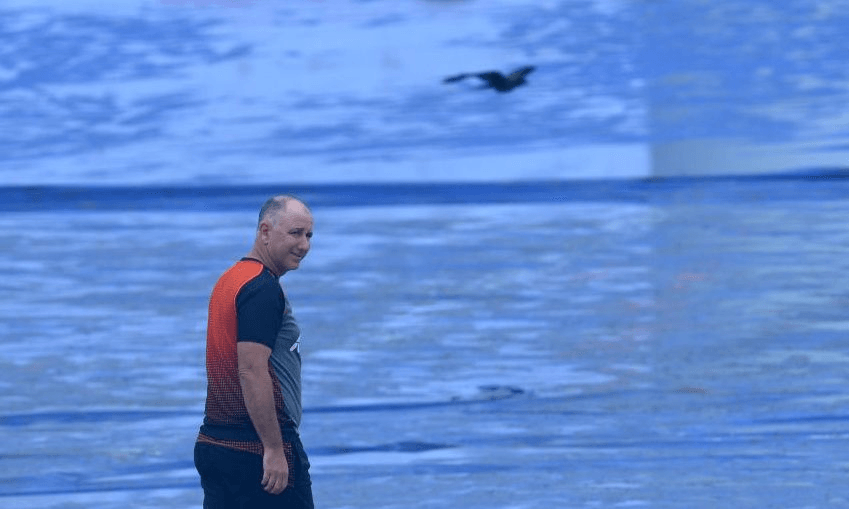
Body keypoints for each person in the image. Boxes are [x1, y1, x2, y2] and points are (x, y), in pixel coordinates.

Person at [194, 195, 315, 509]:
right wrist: (274, 449)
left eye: (309, 235)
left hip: (215, 445)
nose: (304, 245)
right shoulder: (262, 289)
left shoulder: (230, 280)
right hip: (256, 452)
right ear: (265, 231)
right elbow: (251, 369)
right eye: (295, 233)